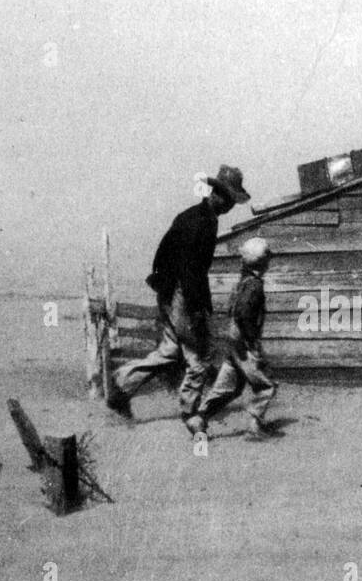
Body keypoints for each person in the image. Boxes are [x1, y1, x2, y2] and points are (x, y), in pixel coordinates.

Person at [107, 165, 250, 432]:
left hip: (170, 292)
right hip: (184, 295)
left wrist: (164, 289)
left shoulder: (190, 216)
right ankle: (191, 413)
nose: (231, 206)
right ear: (217, 194)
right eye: (229, 199)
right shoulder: (203, 223)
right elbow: (191, 271)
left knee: (170, 352)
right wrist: (194, 309)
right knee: (199, 358)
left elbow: (162, 254)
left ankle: (121, 386)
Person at [194, 237, 279, 440]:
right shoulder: (254, 286)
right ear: (262, 261)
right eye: (267, 257)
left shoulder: (242, 282)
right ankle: (254, 426)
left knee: (227, 386)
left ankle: (199, 418)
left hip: (232, 343)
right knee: (266, 385)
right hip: (244, 344)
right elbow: (243, 314)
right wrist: (252, 343)